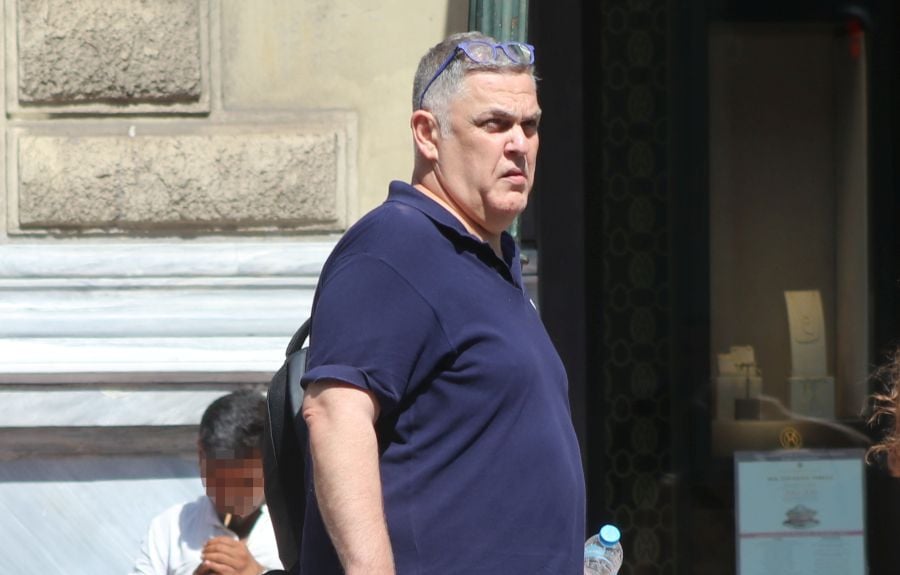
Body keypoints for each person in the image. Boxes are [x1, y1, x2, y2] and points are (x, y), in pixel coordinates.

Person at [299, 31, 586, 574]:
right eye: (494, 124)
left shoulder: (489, 259)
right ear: (427, 134)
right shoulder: (395, 246)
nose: (519, 145)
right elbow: (336, 413)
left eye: (529, 126)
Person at [130, 390, 283, 575]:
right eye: (220, 481)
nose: (231, 498)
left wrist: (257, 573)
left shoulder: (297, 531)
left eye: (246, 483)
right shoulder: (169, 530)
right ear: (201, 455)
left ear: (271, 463)